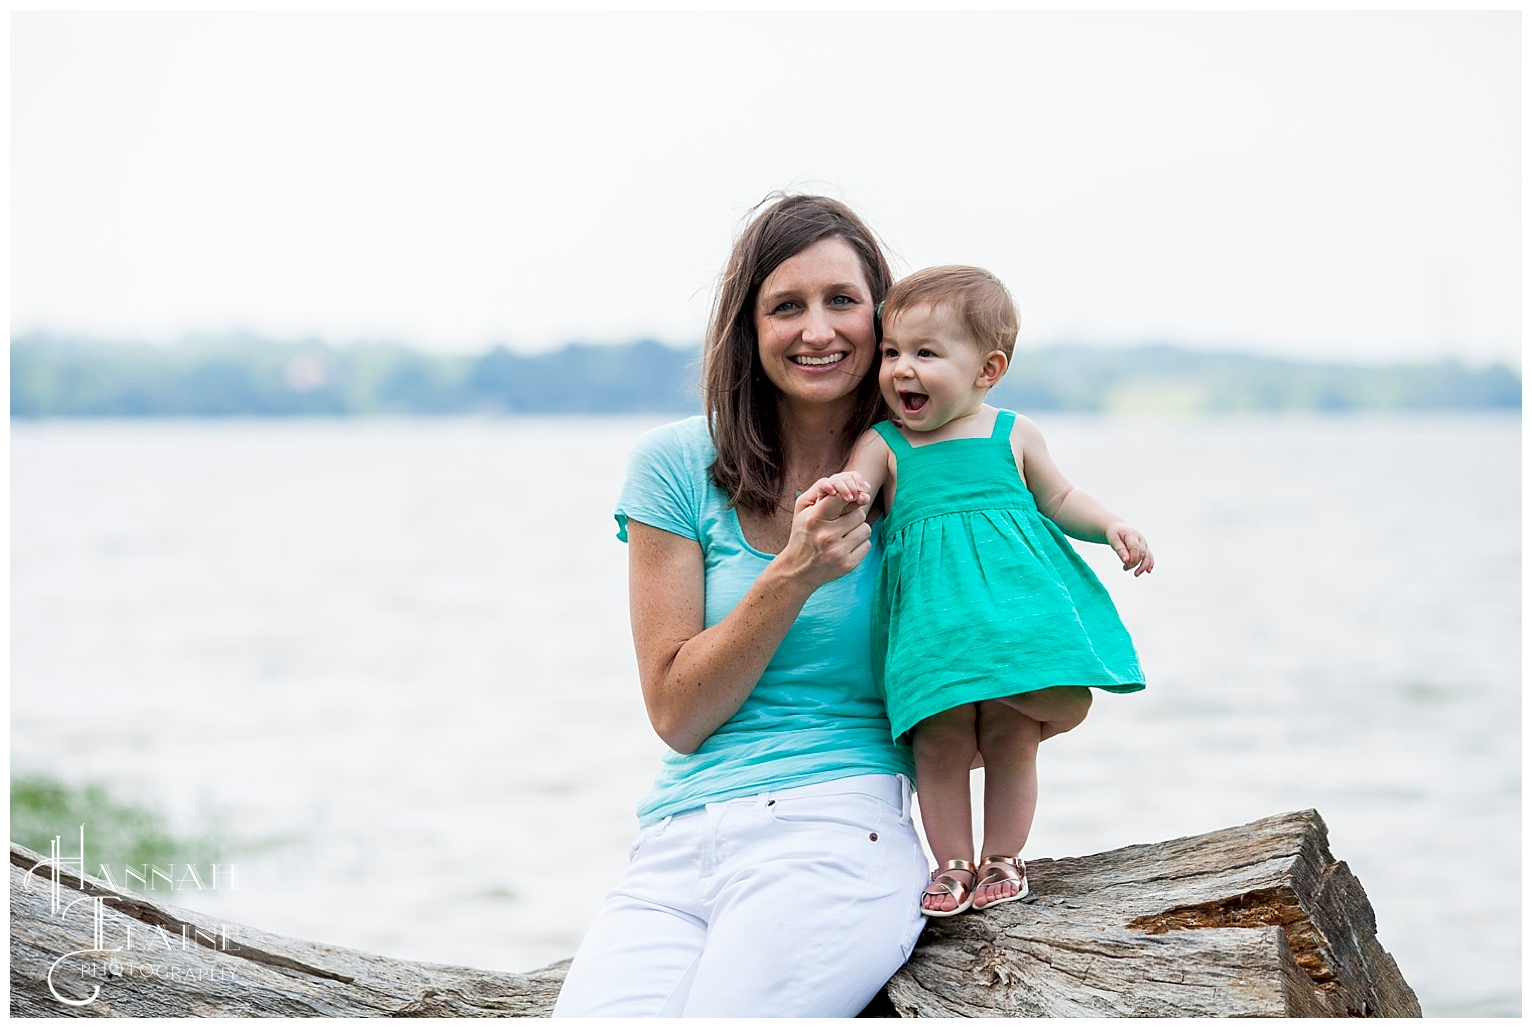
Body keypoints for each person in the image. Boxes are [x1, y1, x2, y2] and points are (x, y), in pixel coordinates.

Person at [551, 195, 928, 1018]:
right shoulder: (674, 465)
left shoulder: (924, 475)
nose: (817, 331)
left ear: (881, 315)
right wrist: (791, 575)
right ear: (747, 330)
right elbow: (678, 714)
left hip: (836, 827)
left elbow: (990, 673)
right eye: (785, 306)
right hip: (677, 845)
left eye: (841, 301)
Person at [805, 265, 1151, 918]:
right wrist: (846, 490)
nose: (901, 369)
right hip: (934, 627)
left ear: (986, 370)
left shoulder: (1012, 434)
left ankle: (1004, 855)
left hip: (1014, 621)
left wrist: (1111, 526)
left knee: (1010, 735)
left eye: (926, 354)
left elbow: (1062, 498)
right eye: (891, 352)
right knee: (938, 742)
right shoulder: (885, 443)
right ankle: (952, 863)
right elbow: (856, 484)